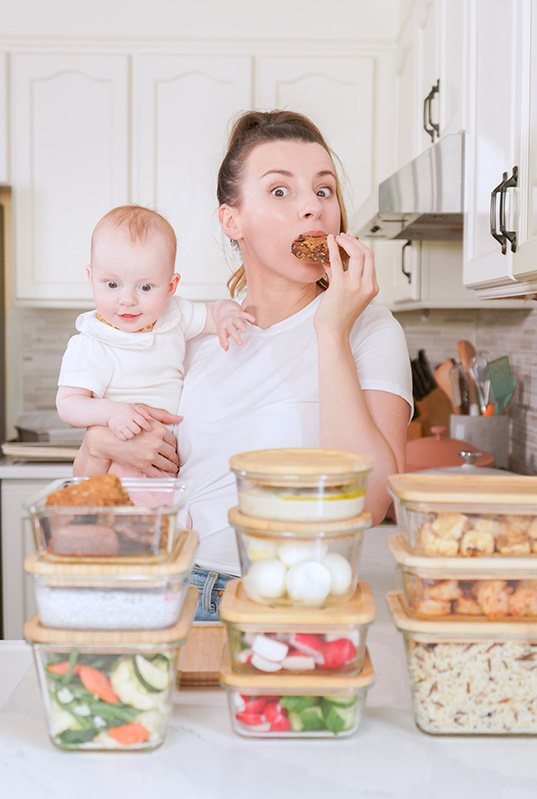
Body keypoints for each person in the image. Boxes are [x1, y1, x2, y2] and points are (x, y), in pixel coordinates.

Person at [74, 110, 413, 620]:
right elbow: (98, 486)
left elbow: (369, 503)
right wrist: (99, 443)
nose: (312, 211)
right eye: (281, 191)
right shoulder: (190, 336)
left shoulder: (368, 328)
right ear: (232, 220)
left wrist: (331, 330)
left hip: (296, 603)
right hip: (174, 593)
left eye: (324, 191)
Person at [57, 205, 253, 477]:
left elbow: (212, 312)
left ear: (171, 286)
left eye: (145, 287)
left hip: (168, 460)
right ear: (91, 278)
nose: (127, 299)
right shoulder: (92, 342)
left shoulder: (174, 314)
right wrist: (112, 413)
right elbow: (68, 404)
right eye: (112, 284)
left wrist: (227, 314)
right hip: (118, 456)